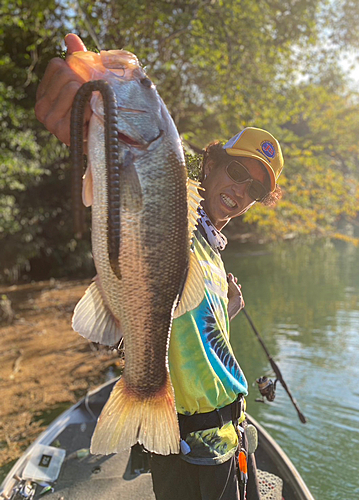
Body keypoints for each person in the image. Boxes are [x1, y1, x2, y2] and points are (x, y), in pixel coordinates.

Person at [35, 34, 284, 500]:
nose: (241, 190)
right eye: (237, 172)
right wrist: (91, 118)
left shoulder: (210, 244)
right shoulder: (179, 216)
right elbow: (143, 173)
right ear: (210, 164)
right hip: (190, 437)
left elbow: (177, 317)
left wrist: (223, 310)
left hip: (224, 433)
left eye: (254, 188)